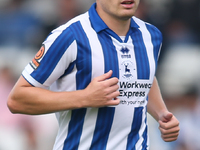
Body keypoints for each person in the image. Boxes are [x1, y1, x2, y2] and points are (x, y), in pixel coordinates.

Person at [7, 0, 180, 149]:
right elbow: (17, 99)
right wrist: (85, 97)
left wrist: (161, 114)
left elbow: (144, 77)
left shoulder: (151, 35)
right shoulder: (70, 35)